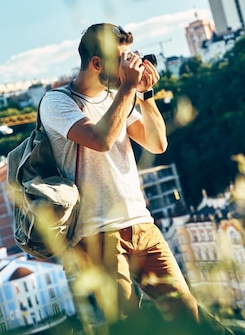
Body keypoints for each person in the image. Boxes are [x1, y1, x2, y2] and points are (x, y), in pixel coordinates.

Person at [39, 23, 199, 327]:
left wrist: (146, 94)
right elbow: (100, 140)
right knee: (130, 322)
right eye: (121, 58)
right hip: (96, 233)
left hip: (141, 224)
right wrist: (127, 89)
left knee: (185, 310)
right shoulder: (57, 102)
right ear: (96, 63)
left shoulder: (118, 97)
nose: (129, 64)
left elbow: (158, 143)